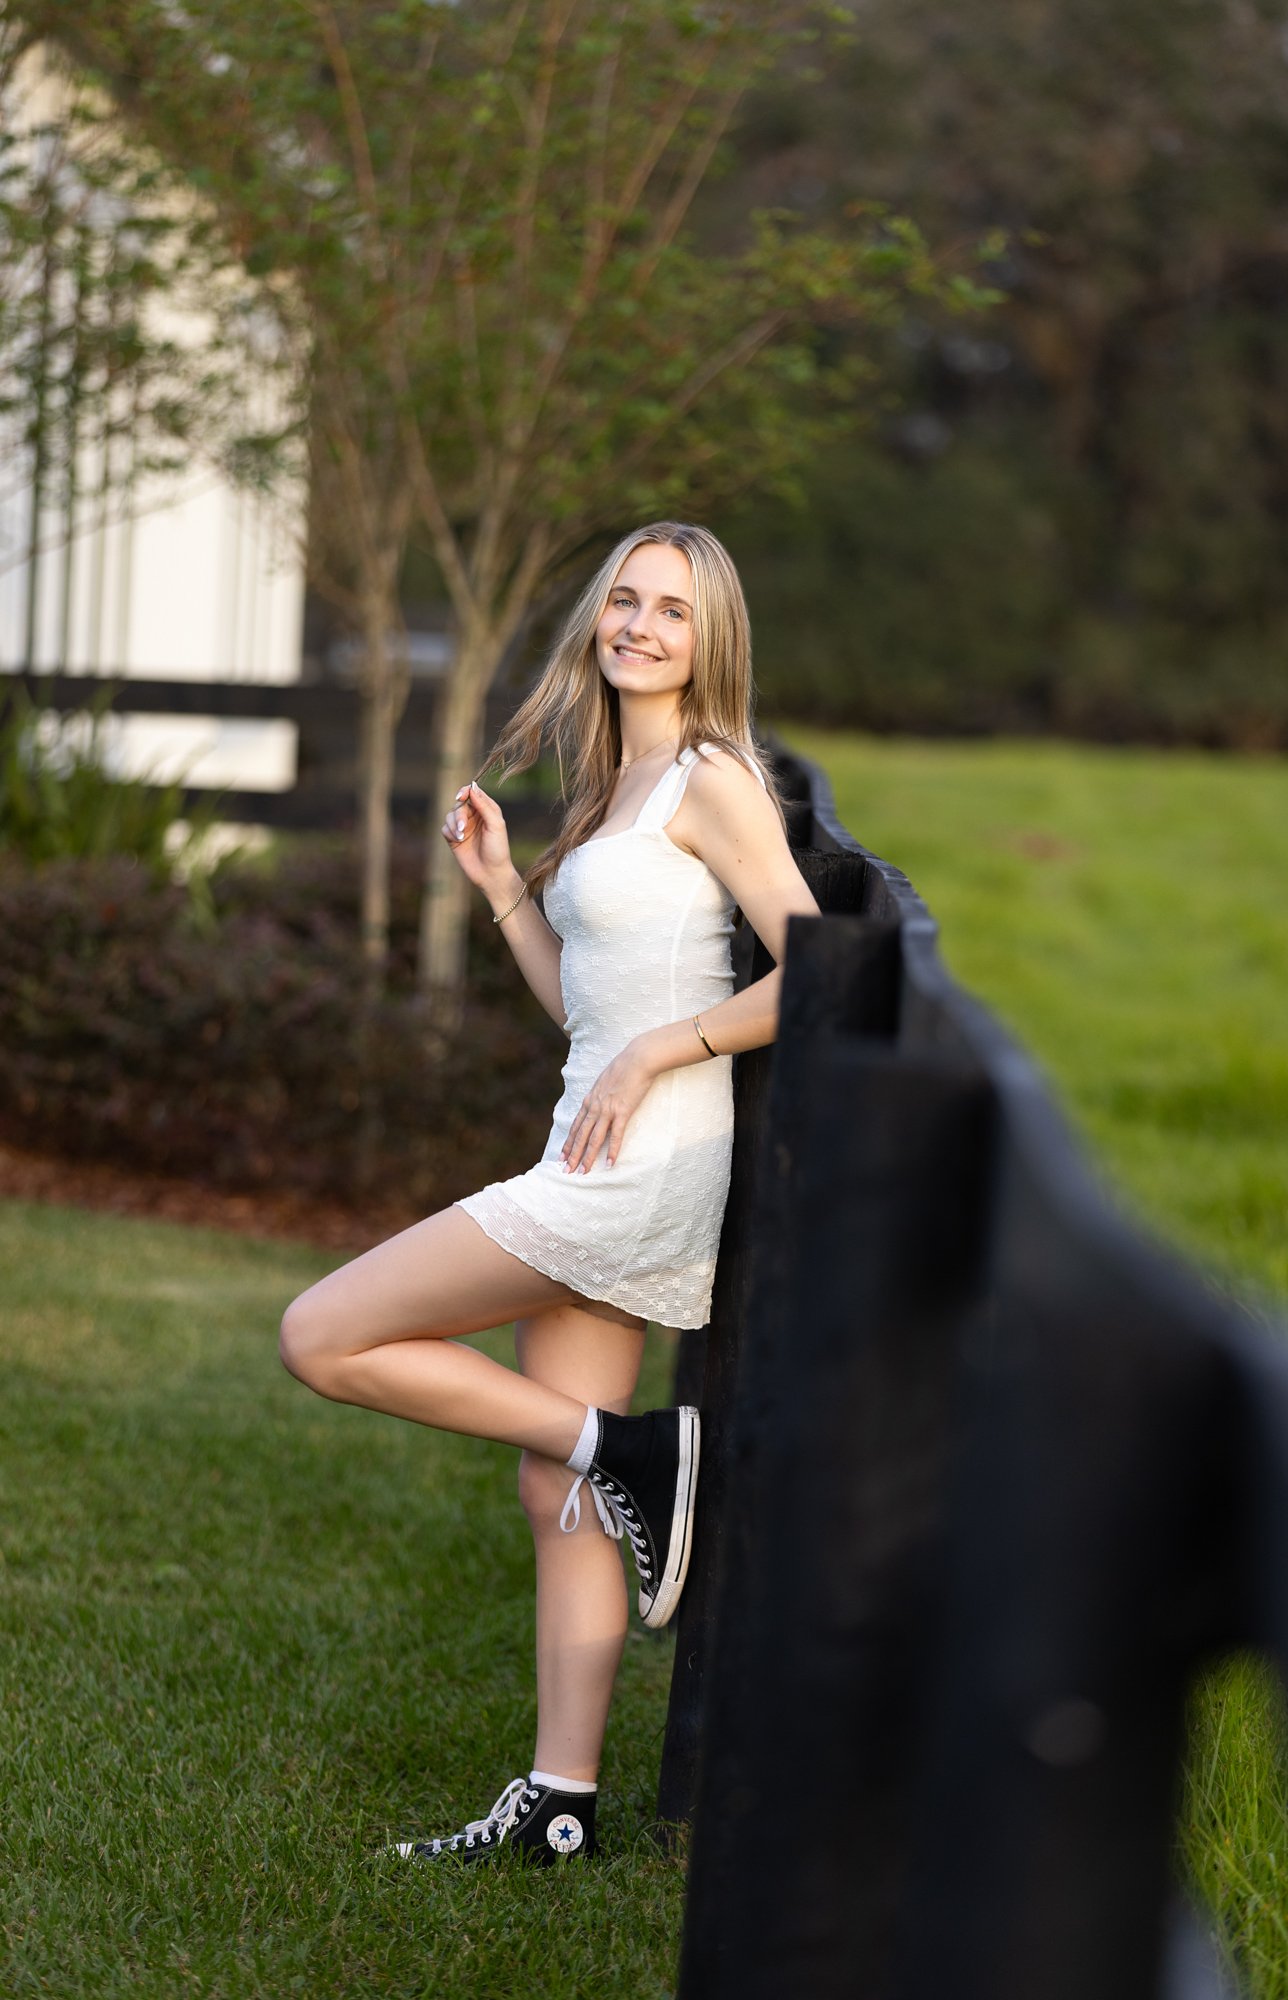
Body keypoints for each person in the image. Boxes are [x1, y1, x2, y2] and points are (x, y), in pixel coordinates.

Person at [279, 520, 821, 1865]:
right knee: (554, 1483)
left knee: (323, 1334)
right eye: (624, 600)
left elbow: (819, 967)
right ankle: (560, 1802)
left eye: (672, 611)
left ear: (711, 639)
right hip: (593, 1139)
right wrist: (501, 888)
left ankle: (639, 1455)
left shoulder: (709, 777)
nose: (639, 625)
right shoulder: (616, 780)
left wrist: (664, 1050)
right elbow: (590, 1013)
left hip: (639, 1165)